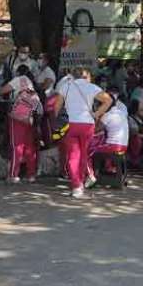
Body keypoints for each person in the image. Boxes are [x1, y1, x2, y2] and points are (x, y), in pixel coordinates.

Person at [55, 67, 112, 198]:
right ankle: (81, 182)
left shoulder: (66, 87)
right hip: (87, 125)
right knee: (84, 154)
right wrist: (97, 113)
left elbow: (57, 106)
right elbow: (108, 100)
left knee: (73, 155)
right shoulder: (91, 87)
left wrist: (58, 119)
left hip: (71, 124)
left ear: (73, 76)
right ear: (84, 76)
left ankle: (76, 186)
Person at [0, 65, 42, 184]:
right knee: (29, 147)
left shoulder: (19, 79)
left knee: (16, 145)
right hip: (30, 118)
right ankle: (31, 175)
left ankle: (13, 175)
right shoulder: (31, 83)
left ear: (18, 72)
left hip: (17, 118)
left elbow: (3, 90)